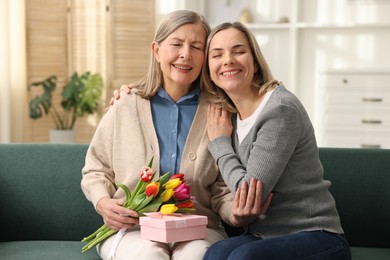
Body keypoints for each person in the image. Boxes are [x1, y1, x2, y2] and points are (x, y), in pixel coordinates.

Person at [81, 11, 270, 260]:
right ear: (157, 50)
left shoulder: (221, 113)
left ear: (204, 57)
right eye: (176, 44)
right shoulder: (126, 104)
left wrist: (236, 213)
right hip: (132, 230)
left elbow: (223, 189)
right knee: (148, 256)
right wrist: (103, 203)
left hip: (198, 230)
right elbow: (95, 170)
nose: (185, 54)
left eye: (196, 46)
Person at [201, 22, 352, 260]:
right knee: (215, 253)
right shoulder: (227, 116)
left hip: (316, 234)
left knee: (243, 258)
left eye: (238, 51)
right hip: (263, 236)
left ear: (255, 60)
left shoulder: (280, 109)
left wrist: (219, 143)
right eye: (217, 55)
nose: (228, 60)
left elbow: (248, 194)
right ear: (209, 69)